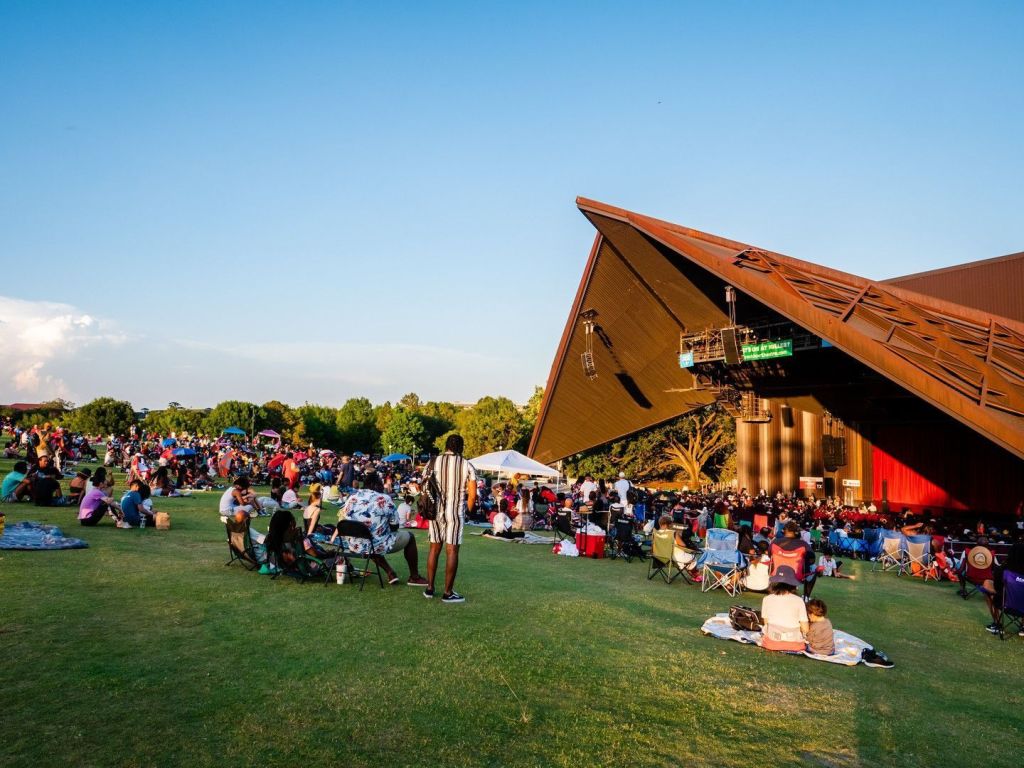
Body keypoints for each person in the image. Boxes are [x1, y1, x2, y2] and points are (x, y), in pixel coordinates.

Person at [331, 470, 427, 586]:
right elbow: (395, 525)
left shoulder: (353, 497)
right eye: (381, 485)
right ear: (377, 485)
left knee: (371, 537)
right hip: (371, 544)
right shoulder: (384, 498)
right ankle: (414, 577)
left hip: (353, 544)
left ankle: (390, 572)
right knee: (409, 537)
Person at [424, 433, 477, 603]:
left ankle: (430, 588)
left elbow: (423, 485)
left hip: (434, 510)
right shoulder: (466, 464)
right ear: (461, 447)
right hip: (454, 512)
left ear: (445, 445)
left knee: (434, 548)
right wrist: (468, 511)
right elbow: (472, 495)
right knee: (452, 550)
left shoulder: (432, 462)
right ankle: (447, 592)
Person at [759, 566, 808, 652]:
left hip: (772, 642)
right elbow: (805, 629)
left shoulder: (767, 599)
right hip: (794, 643)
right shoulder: (799, 601)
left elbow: (766, 624)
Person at [772, 520, 818, 599]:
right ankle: (806, 596)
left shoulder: (775, 542)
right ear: (797, 532)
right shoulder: (803, 544)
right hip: (796, 574)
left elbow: (770, 555)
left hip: (777, 572)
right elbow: (812, 560)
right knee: (814, 567)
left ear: (784, 531)